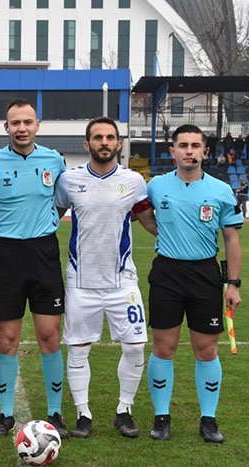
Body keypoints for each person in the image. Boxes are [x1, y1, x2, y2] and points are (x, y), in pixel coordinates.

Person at [54, 117, 157, 439]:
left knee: (136, 346)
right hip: (80, 281)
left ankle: (124, 410)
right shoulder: (68, 180)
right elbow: (52, 218)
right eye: (97, 137)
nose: (104, 142)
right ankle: (83, 414)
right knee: (78, 350)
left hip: (122, 281)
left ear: (118, 144)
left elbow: (148, 221)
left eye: (110, 137)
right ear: (87, 144)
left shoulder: (134, 181)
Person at [146, 124, 243, 444]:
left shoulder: (221, 190)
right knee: (164, 348)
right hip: (167, 274)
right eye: (183, 145)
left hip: (204, 275)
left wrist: (233, 284)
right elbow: (141, 215)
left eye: (195, 145)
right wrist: (162, 232)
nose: (189, 151)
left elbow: (231, 239)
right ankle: (161, 418)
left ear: (205, 151)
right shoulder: (156, 186)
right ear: (172, 151)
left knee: (206, 349)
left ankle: (209, 419)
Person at [0, 98, 68, 439]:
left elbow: (60, 201)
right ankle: (5, 415)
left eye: (27, 122)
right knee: (8, 339)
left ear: (37, 125)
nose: (21, 128)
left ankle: (56, 412)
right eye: (15, 123)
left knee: (49, 336)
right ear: (6, 127)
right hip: (7, 254)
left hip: (44, 253)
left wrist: (45, 222)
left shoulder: (55, 160)